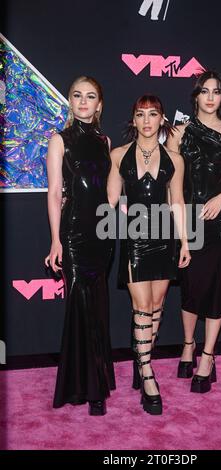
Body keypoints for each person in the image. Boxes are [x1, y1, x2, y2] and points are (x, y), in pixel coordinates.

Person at [167, 70, 221, 393]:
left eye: (216, 91)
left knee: (215, 289)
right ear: (196, 96)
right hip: (186, 219)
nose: (211, 97)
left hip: (219, 220)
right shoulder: (179, 132)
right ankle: (188, 345)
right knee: (189, 286)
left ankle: (207, 356)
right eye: (205, 91)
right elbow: (172, 180)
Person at [107, 94, 190, 415]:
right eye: (140, 114)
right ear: (133, 120)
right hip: (135, 239)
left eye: (152, 114)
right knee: (141, 306)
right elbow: (111, 199)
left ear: (162, 119)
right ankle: (147, 373)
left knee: (156, 306)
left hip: (165, 238)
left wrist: (184, 242)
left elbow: (178, 203)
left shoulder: (175, 159)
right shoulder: (118, 155)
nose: (146, 120)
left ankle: (141, 359)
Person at [45, 76, 115, 415]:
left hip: (103, 233)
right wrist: (55, 239)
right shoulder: (59, 140)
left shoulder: (105, 140)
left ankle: (97, 380)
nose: (84, 101)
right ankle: (87, 388)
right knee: (81, 306)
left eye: (91, 97)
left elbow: (110, 191)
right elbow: (55, 192)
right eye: (77, 96)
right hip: (73, 233)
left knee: (99, 307)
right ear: (70, 102)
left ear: (99, 105)